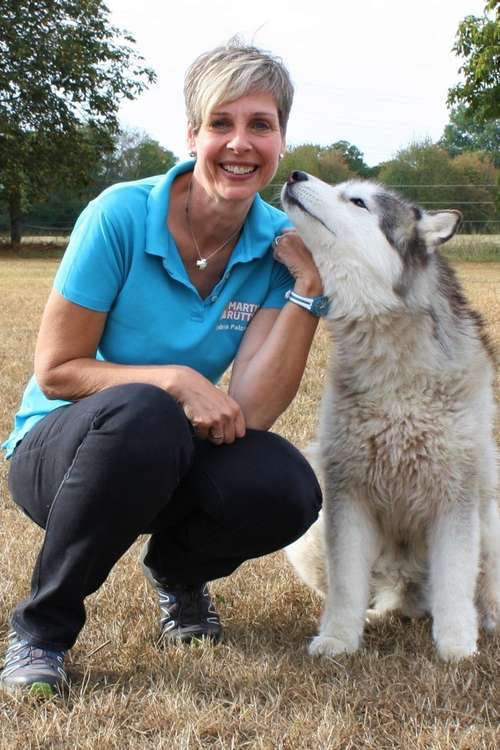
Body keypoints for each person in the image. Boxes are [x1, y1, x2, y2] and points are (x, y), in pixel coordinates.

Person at [0, 41, 326, 696]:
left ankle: (178, 576)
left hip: (172, 453)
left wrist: (309, 287)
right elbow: (59, 370)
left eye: (259, 124)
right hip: (61, 458)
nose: (240, 143)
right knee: (149, 410)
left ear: (281, 140)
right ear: (192, 134)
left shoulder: (275, 247)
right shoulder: (120, 215)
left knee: (287, 484)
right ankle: (40, 632)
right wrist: (174, 379)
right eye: (221, 124)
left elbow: (252, 413)